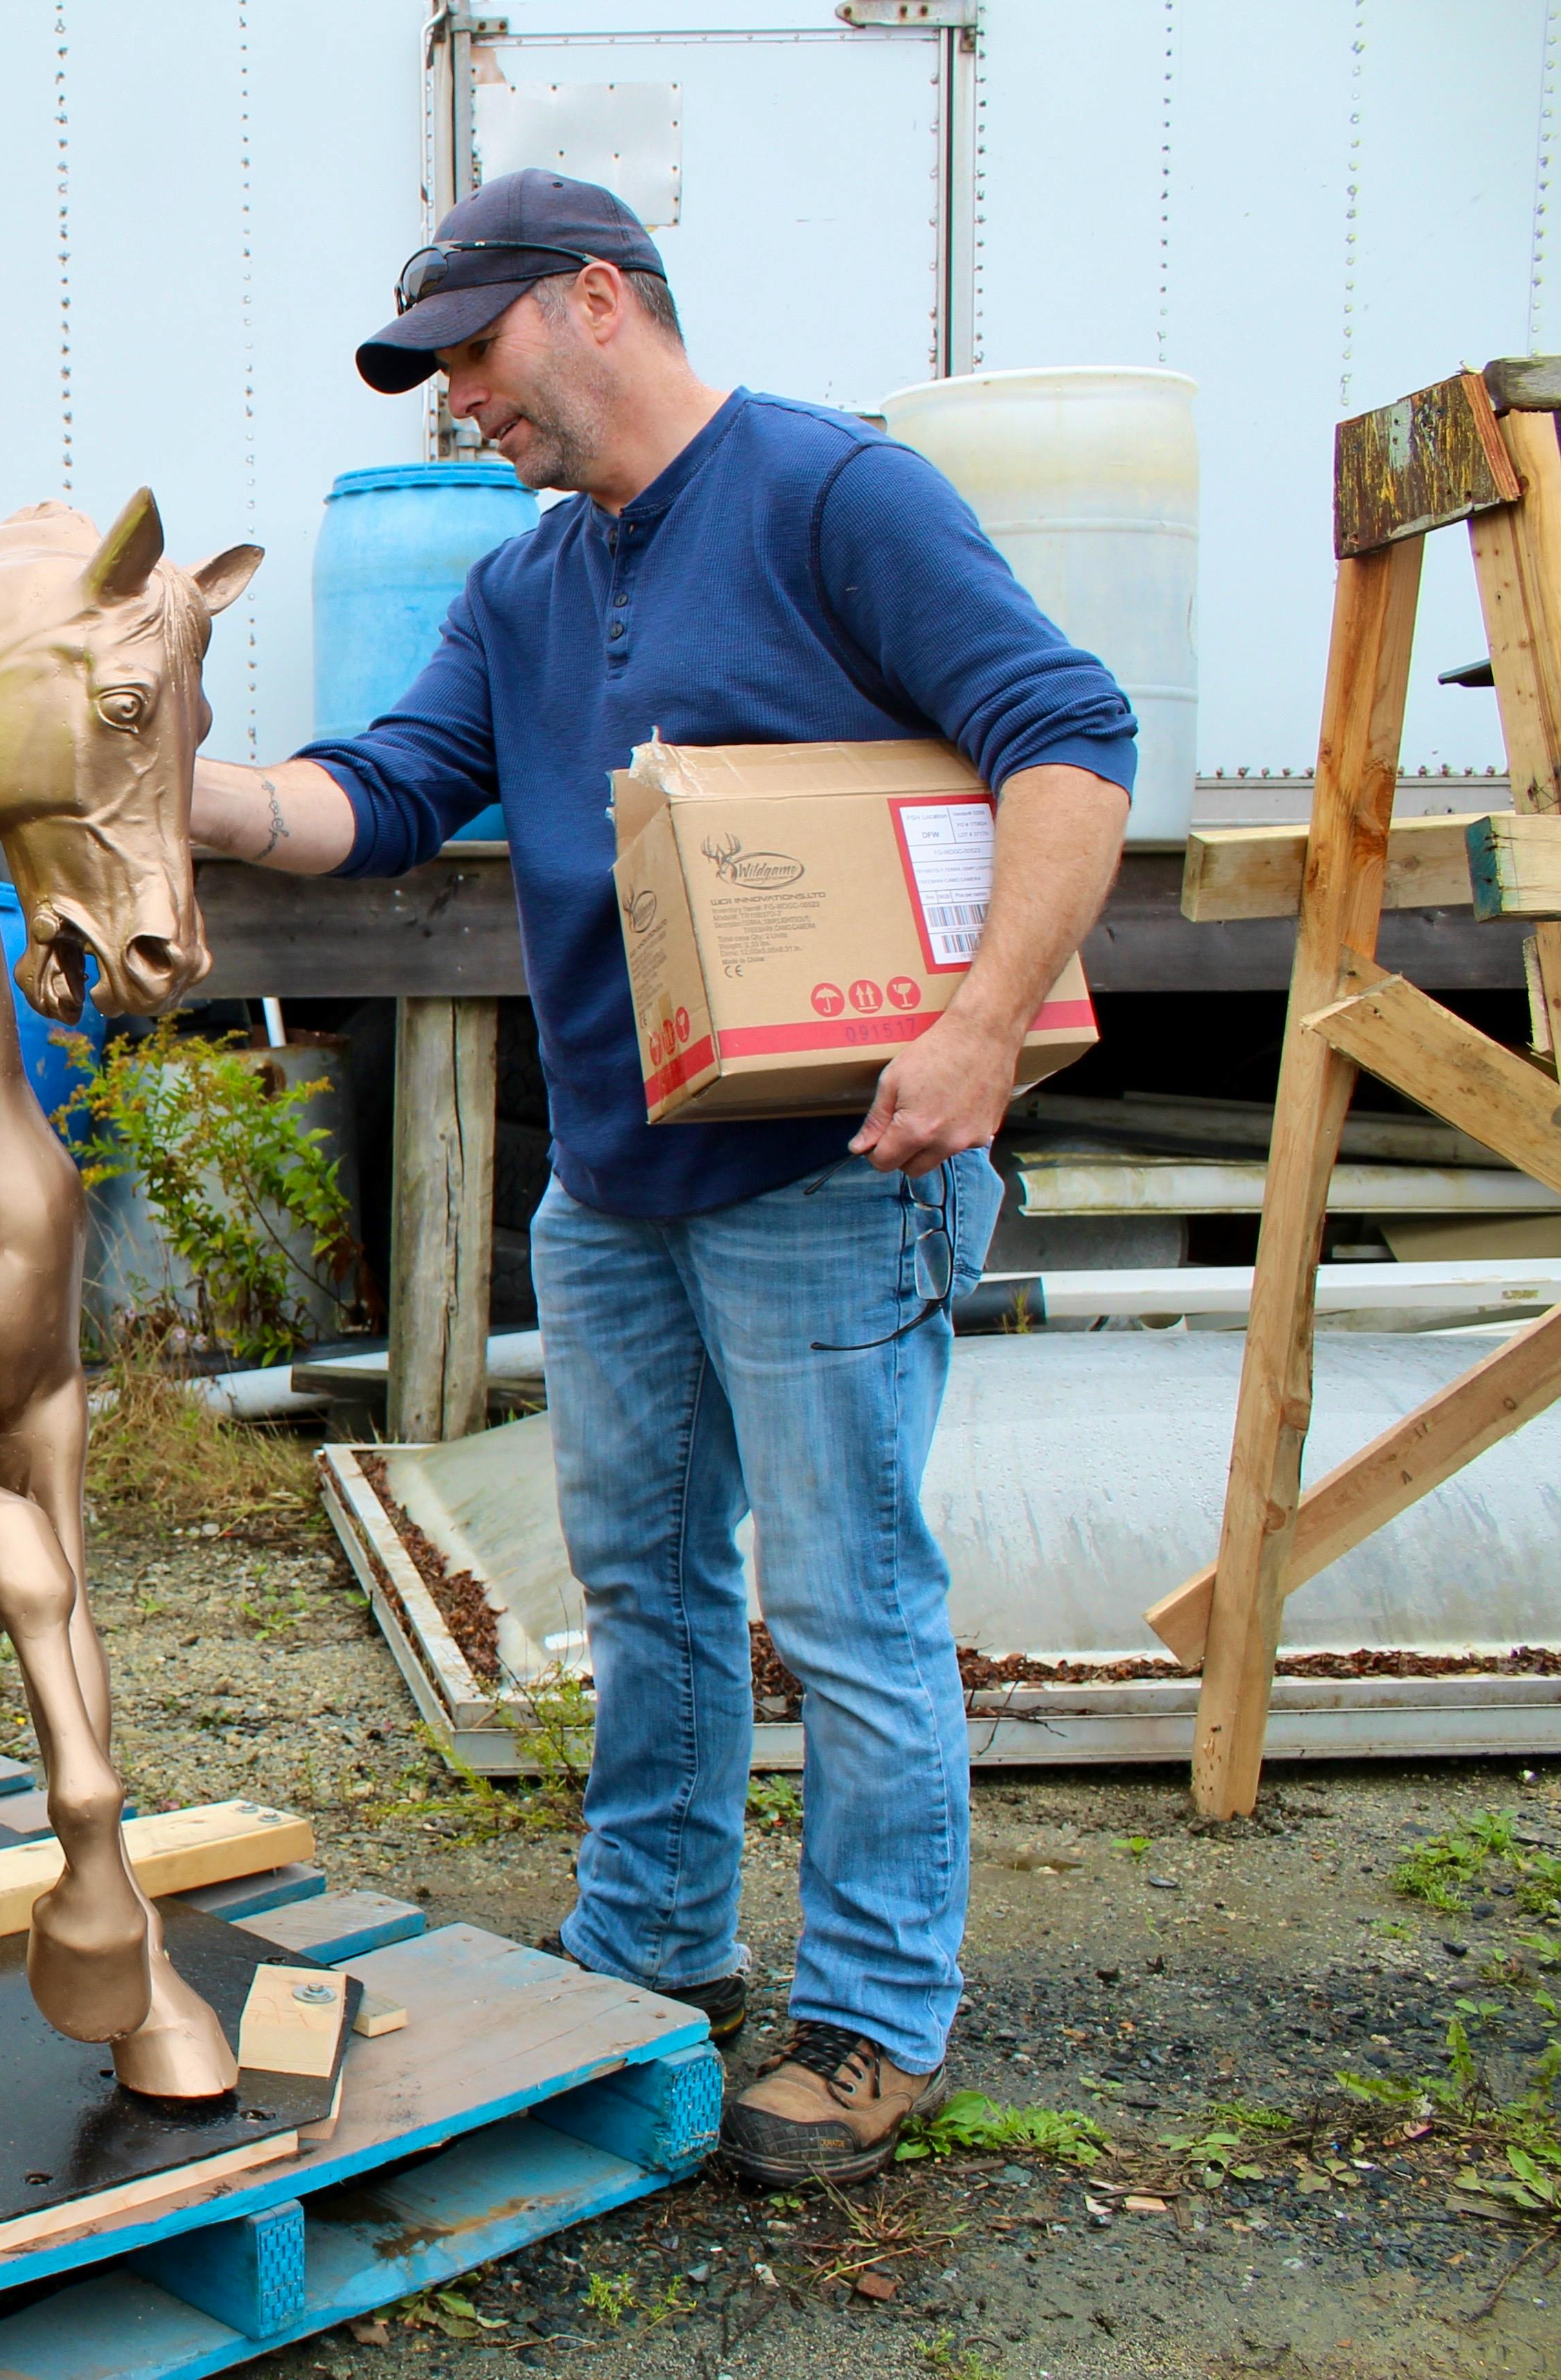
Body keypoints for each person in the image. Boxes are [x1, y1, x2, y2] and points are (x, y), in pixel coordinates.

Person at [191, 174, 1136, 2186]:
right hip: (615, 1182)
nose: (460, 402)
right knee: (645, 1583)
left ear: (600, 300)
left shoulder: (830, 496)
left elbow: (1070, 732)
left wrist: (978, 1030)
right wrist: (147, 783)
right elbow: (376, 799)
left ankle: (879, 2023)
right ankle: (652, 1961)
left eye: (476, 350)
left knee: (851, 1606)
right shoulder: (530, 584)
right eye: (437, 370)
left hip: (832, 1166)